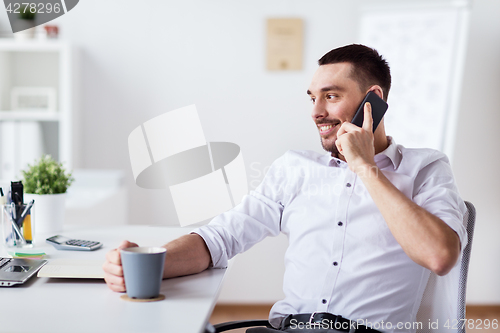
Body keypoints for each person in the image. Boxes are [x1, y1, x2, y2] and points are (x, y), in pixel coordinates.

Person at [103, 44, 467, 333]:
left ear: (373, 100)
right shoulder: (295, 169)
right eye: (312, 97)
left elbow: (440, 255)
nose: (316, 112)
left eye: (331, 96)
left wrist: (364, 167)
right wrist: (147, 263)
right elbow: (220, 238)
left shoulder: (425, 168)